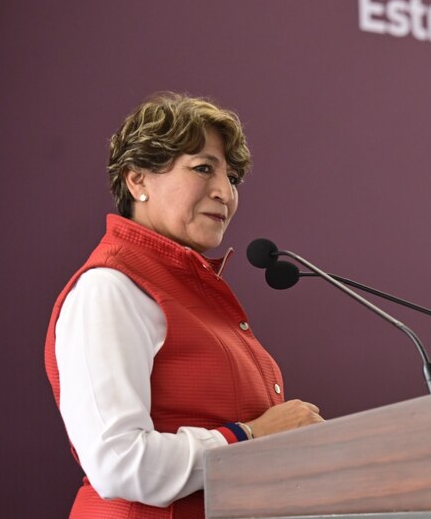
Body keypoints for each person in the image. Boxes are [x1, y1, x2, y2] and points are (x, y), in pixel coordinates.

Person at [43, 93, 325, 518]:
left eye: (232, 178)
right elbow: (119, 462)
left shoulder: (193, 293)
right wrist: (249, 436)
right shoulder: (110, 288)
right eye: (203, 168)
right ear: (137, 180)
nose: (224, 193)